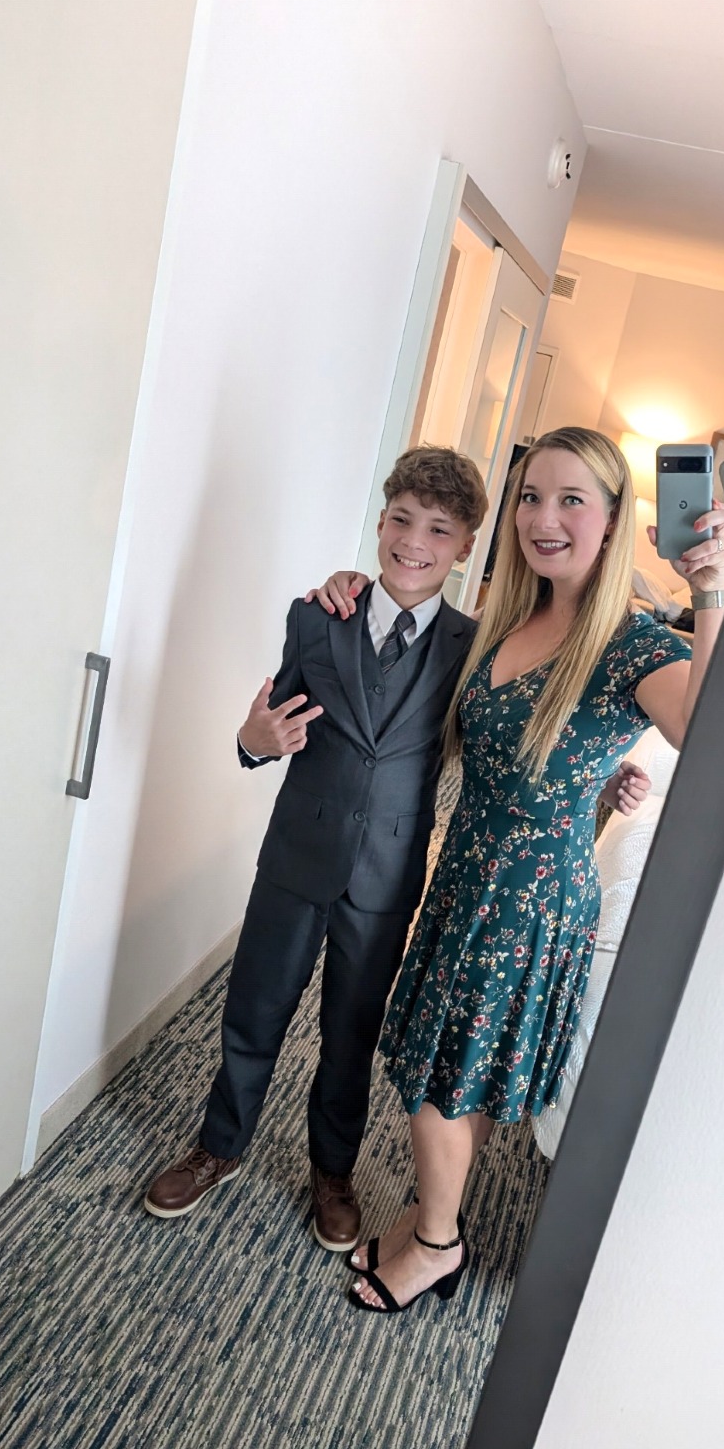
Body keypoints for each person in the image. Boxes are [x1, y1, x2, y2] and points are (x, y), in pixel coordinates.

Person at [332, 425, 724, 1312]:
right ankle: (434, 1213)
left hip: (526, 906)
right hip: (466, 878)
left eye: (571, 500)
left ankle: (437, 1246)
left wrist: (709, 590)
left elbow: (706, 733)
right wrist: (355, 587)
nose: (544, 519)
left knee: (439, 1087)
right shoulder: (514, 617)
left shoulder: (632, 645)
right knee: (457, 1075)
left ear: (615, 519)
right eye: (531, 498)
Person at [143, 446, 493, 1251]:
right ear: (380, 521)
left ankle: (332, 1171)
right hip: (297, 855)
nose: (415, 541)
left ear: (464, 547)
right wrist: (251, 741)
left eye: (439, 530)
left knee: (350, 1033)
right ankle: (219, 1146)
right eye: (401, 519)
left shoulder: (473, 648)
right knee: (254, 1008)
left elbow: (498, 747)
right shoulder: (316, 617)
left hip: (388, 874)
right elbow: (273, 721)